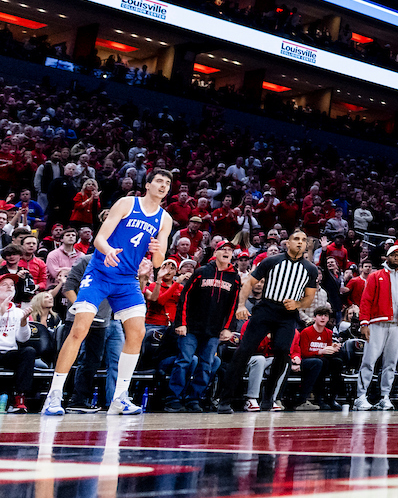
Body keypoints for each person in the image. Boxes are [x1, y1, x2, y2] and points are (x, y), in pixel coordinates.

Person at [43, 168, 174, 415]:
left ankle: (120, 397)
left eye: (167, 183)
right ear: (147, 185)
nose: (163, 185)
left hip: (126, 280)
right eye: (159, 181)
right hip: (100, 273)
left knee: (137, 332)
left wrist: (157, 249)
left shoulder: (165, 219)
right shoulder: (127, 203)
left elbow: (158, 262)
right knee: (79, 330)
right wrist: (109, 251)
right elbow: (99, 239)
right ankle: (54, 395)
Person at [215, 229, 319, 414]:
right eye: (296, 239)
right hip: (266, 308)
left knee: (282, 352)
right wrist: (241, 306)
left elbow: (309, 299)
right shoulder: (272, 261)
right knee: (244, 351)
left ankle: (268, 398)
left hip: (288, 314)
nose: (300, 242)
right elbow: (248, 283)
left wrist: (297, 303)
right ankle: (225, 399)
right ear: (287, 242)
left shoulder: (310, 269)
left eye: (304, 240)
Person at [166, 240, 241, 412]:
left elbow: (233, 306)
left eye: (230, 250)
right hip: (191, 327)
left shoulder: (234, 278)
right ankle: (173, 399)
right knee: (184, 361)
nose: (227, 252)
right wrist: (181, 323)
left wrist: (228, 328)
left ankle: (194, 399)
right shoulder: (201, 272)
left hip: (214, 330)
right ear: (216, 252)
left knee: (207, 364)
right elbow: (184, 298)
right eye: (224, 249)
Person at [354, 244, 398, 411]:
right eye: (393, 255)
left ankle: (385, 396)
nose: (396, 258)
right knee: (369, 360)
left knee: (391, 363)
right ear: (387, 257)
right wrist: (364, 323)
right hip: (377, 323)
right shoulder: (375, 276)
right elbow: (365, 301)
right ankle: (360, 396)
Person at [0, 272, 36, 412]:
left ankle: (19, 398)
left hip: (10, 353)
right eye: (4, 285)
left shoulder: (19, 312)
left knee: (29, 351)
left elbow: (23, 339)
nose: (9, 287)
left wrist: (23, 323)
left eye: (11, 285)